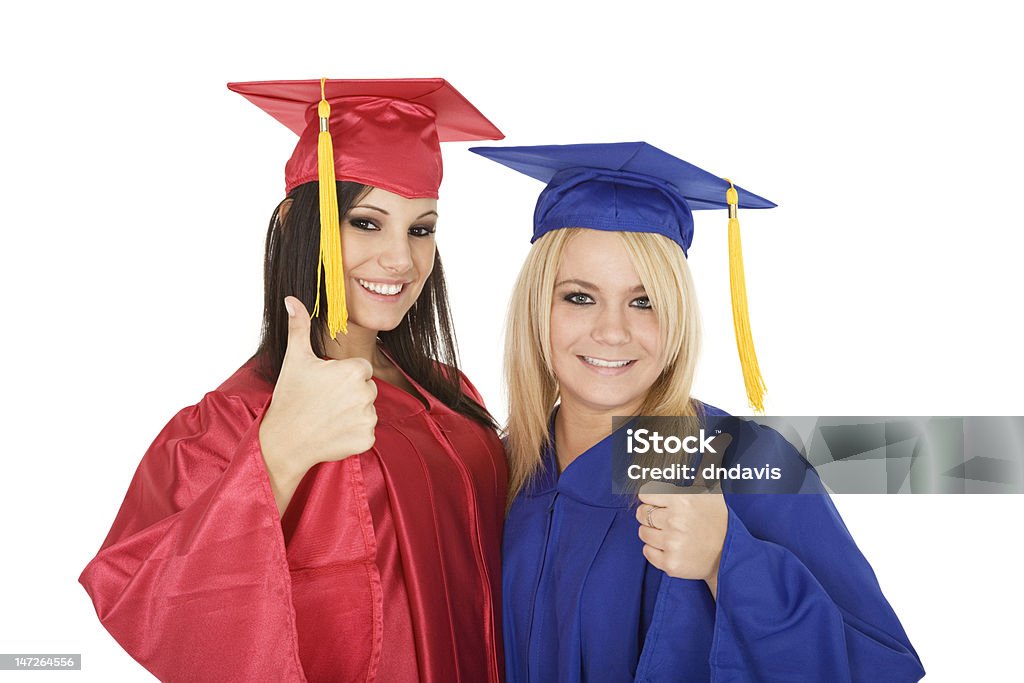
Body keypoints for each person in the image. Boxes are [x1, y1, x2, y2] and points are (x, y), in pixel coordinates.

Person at [80, 78, 508, 682]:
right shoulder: (239, 418)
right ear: (295, 223)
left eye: (421, 228)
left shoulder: (451, 392)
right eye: (365, 222)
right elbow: (145, 601)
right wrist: (276, 456)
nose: (401, 260)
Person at [472, 142, 925, 682]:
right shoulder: (500, 470)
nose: (612, 331)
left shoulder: (742, 461)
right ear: (535, 306)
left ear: (678, 314)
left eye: (645, 302)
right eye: (579, 297)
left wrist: (728, 563)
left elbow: (877, 669)